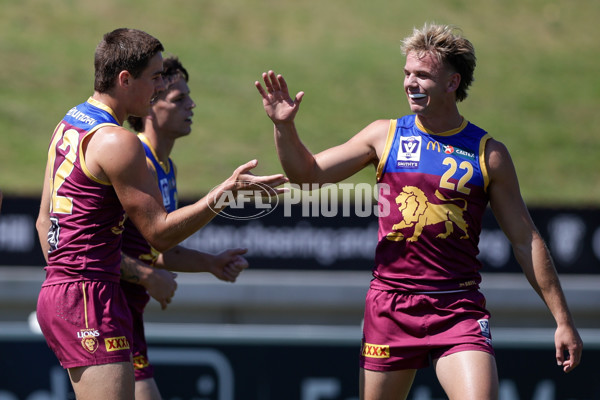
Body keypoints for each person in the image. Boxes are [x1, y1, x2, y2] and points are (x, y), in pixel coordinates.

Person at [255, 23, 582, 400]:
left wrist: (563, 319)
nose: (410, 82)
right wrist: (284, 127)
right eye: (407, 73)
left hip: (457, 306)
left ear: (452, 83)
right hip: (391, 305)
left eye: (422, 75)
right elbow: (307, 175)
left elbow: (526, 240)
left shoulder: (489, 154)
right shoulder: (384, 135)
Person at [35, 28, 286, 400]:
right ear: (125, 79)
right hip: (89, 297)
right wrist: (224, 194)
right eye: (154, 78)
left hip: (72, 293)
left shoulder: (70, 121)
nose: (157, 88)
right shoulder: (118, 142)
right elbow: (159, 234)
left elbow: (44, 222)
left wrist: (64, 280)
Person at [119, 55, 250, 400]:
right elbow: (98, 248)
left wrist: (210, 263)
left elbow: (156, 247)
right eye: (179, 99)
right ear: (149, 107)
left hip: (130, 311)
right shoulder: (135, 162)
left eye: (189, 97)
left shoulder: (166, 167)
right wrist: (147, 277)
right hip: (107, 309)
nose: (191, 105)